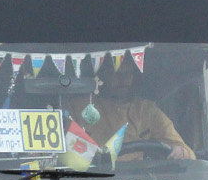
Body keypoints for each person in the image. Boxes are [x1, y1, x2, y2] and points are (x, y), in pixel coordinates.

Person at [66, 63, 194, 160]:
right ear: (102, 76)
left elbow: (187, 153)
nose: (123, 79)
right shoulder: (78, 108)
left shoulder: (147, 110)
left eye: (128, 73)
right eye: (116, 73)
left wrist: (179, 151)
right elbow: (64, 152)